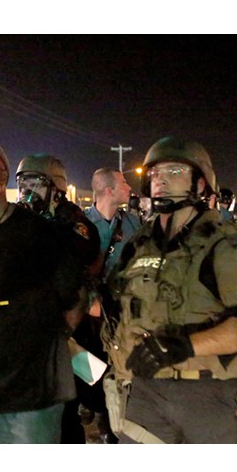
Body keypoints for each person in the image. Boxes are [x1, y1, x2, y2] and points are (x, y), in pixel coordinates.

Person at [105, 136, 237, 443]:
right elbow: (113, 303)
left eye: (174, 172)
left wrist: (185, 346)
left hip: (211, 393)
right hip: (145, 390)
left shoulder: (227, 244)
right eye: (155, 173)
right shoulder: (139, 243)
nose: (159, 180)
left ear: (201, 185)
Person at [0, 130, 86, 444]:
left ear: (2, 178)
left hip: (30, 398)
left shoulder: (41, 235)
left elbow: (75, 300)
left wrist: (39, 346)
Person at [15, 153, 100, 444]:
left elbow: (85, 251)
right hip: (26, 331)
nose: (26, 190)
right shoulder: (17, 218)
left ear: (55, 187)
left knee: (65, 413)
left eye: (34, 183)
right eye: (21, 182)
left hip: (66, 331)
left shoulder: (73, 221)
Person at [83, 167, 142, 442]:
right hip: (87, 309)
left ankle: (109, 421)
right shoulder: (81, 224)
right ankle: (90, 403)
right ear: (108, 190)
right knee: (85, 360)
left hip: (120, 308)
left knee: (116, 364)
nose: (129, 187)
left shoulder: (132, 224)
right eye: (123, 182)